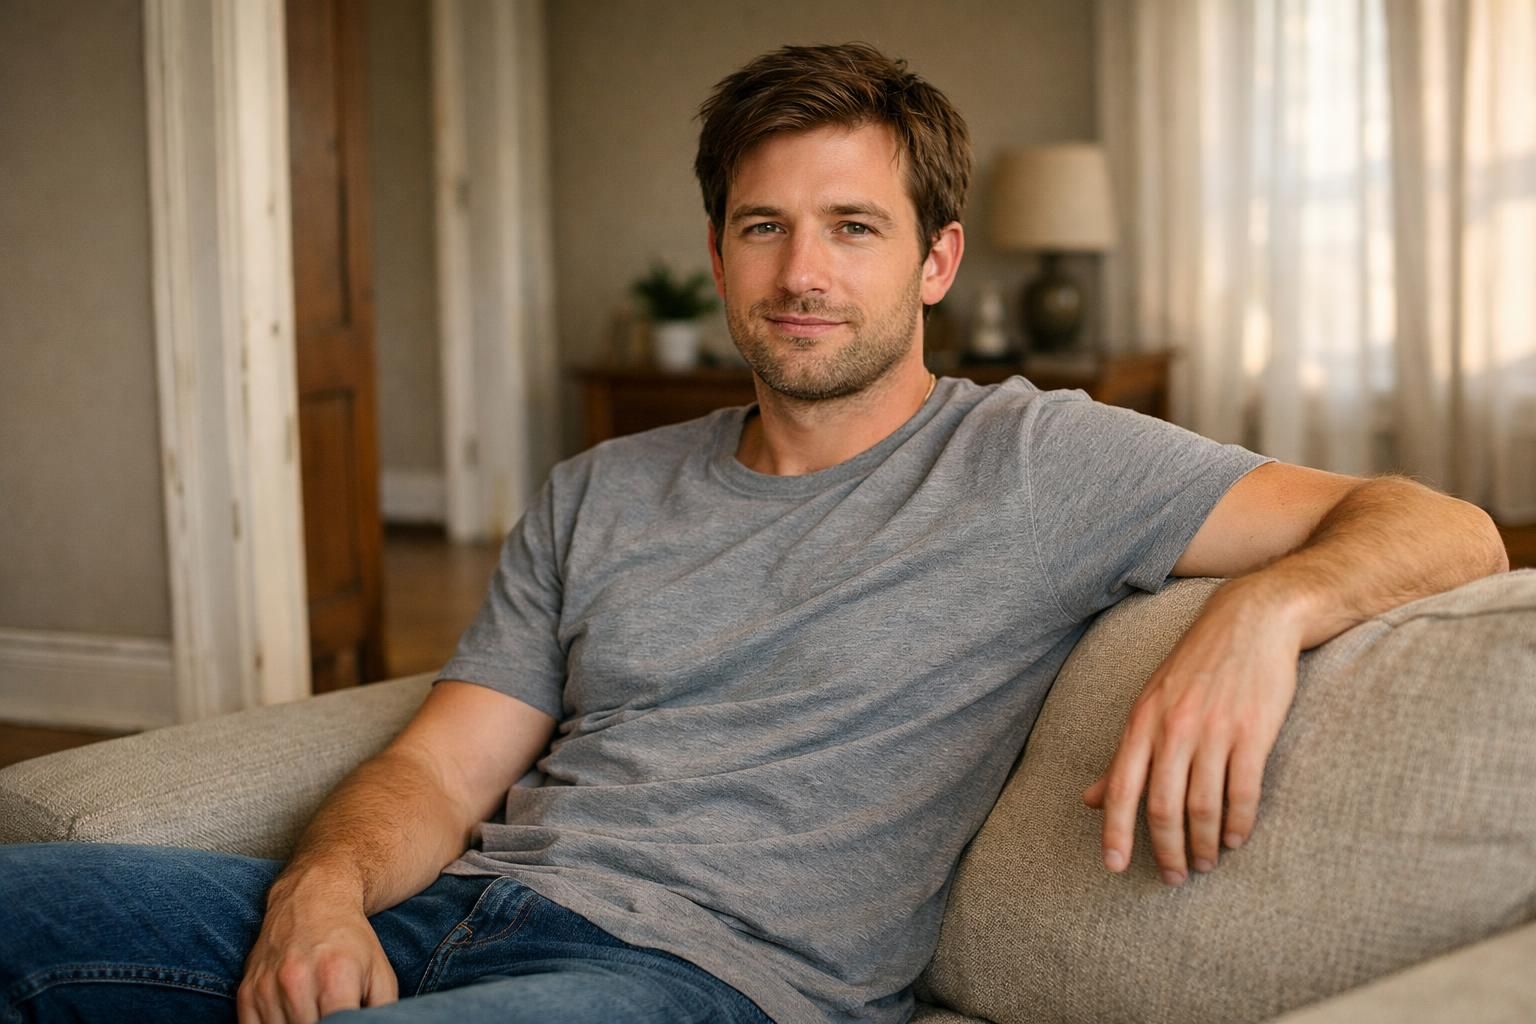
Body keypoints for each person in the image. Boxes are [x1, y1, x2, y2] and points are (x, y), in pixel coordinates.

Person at [0, 42, 1507, 1024]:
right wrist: (321, 891)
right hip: (460, 910)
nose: (803, 274)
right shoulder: (600, 488)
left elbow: (1444, 527)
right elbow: (439, 765)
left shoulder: (1039, 455)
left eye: (855, 228)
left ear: (937, 260)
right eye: (764, 226)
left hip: (684, 983)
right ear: (717, 249)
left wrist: (1261, 614)